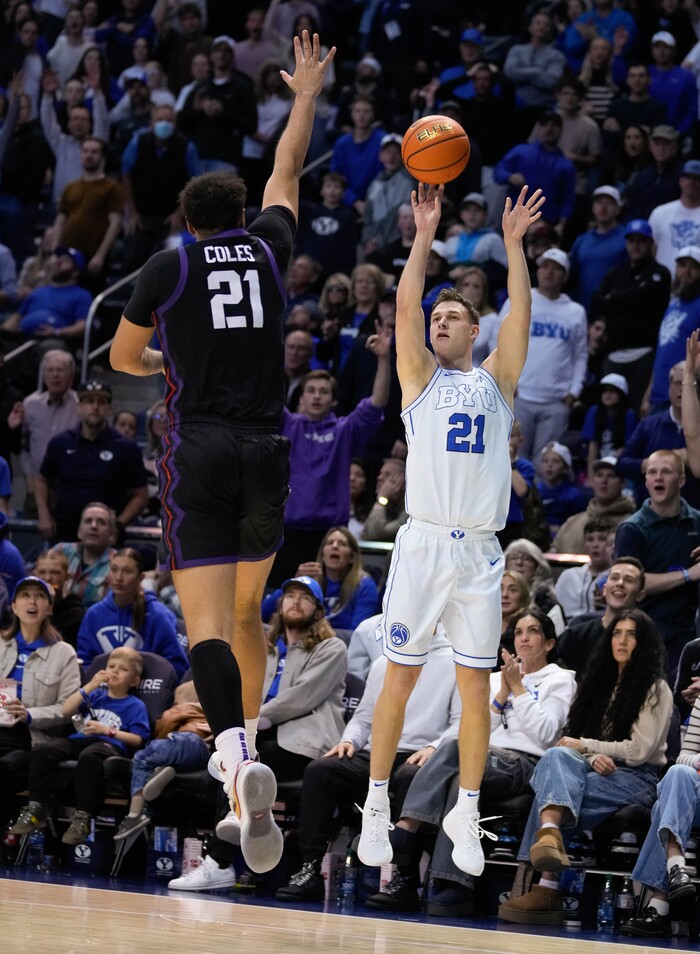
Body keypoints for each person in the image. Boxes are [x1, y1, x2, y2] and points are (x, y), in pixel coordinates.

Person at [109, 31, 336, 876]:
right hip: (268, 450)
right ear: (242, 219)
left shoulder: (168, 267)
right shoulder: (273, 248)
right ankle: (244, 762)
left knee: (204, 622)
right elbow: (285, 169)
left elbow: (122, 362)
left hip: (198, 446)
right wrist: (304, 95)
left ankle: (238, 759)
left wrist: (170, 357)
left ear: (188, 222)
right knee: (248, 614)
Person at [354, 180, 545, 876]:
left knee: (473, 690)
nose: (439, 319)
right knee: (397, 680)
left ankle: (466, 808)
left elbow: (520, 309)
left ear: (475, 331)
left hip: (481, 553)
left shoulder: (498, 381)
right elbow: (405, 304)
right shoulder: (418, 381)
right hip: (425, 542)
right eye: (438, 314)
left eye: (454, 314)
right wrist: (423, 234)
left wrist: (516, 245)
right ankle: (376, 801)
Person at [366, 608, 576, 915]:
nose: (524, 638)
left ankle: (405, 828)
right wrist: (502, 694)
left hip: (524, 763)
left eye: (532, 631)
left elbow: (545, 734)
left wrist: (518, 689)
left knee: (455, 749)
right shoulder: (493, 680)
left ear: (548, 643)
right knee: (460, 779)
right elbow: (479, 729)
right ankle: (453, 886)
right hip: (484, 757)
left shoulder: (560, 680)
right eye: (518, 632)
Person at [498, 609, 672, 925]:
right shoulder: (597, 683)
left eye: (631, 634)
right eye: (617, 633)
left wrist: (589, 748)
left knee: (554, 790)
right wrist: (591, 757)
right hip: (594, 768)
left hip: (639, 777)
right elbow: (572, 740)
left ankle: (541, 884)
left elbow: (639, 751)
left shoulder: (655, 688)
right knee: (555, 759)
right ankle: (549, 836)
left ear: (644, 642)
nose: (622, 640)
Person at [275, 624, 461, 902]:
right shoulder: (384, 661)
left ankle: (406, 880)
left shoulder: (455, 662)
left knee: (410, 777)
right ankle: (310, 869)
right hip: (377, 751)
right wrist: (349, 740)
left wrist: (434, 747)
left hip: (419, 754)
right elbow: (363, 717)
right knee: (321, 771)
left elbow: (462, 722)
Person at [10, 645, 150, 846]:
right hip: (80, 739)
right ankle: (36, 807)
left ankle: (83, 816)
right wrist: (89, 686)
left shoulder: (135, 705)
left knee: (89, 757)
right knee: (43, 751)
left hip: (108, 744)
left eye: (123, 669)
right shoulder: (95, 696)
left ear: (135, 681)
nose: (115, 671)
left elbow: (138, 739)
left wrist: (107, 731)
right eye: (111, 666)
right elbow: (66, 709)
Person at [0, 576, 80, 825]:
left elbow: (67, 708)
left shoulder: (63, 653)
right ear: (13, 606)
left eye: (39, 596)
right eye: (25, 595)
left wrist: (30, 714)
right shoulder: (1, 644)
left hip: (31, 737)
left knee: (3, 768)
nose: (32, 601)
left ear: (49, 607)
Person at [615, 448, 700, 677]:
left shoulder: (697, 522)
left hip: (689, 627)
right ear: (646, 480)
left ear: (681, 480)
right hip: (645, 627)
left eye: (666, 472)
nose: (658, 477)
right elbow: (630, 584)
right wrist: (688, 575)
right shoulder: (632, 529)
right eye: (652, 472)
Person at [500, 248, 588, 461]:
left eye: (556, 269)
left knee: (546, 464)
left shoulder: (575, 311)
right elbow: (501, 340)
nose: (549, 272)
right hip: (520, 395)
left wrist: (574, 392)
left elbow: (580, 355)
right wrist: (506, 381)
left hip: (556, 401)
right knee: (512, 459)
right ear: (538, 271)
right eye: (545, 266)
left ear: (565, 276)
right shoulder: (519, 298)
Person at [36, 379, 149, 543]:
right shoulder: (60, 443)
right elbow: (41, 480)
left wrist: (118, 524)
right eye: (89, 401)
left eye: (101, 402)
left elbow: (141, 496)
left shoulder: (126, 447)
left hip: (105, 540)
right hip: (63, 535)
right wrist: (43, 513)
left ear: (109, 409)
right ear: (79, 407)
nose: (95, 407)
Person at [114, 678, 212, 840]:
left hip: (186, 740)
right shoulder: (210, 712)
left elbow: (166, 722)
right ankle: (164, 771)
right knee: (166, 757)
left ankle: (135, 813)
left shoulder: (185, 708)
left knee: (142, 757)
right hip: (203, 755)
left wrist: (157, 739)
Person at [590, 219, 671, 412]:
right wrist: (633, 296)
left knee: (636, 410)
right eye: (632, 240)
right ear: (626, 243)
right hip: (613, 354)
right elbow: (597, 301)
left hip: (644, 354)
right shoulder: (616, 273)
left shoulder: (660, 273)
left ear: (651, 244)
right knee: (607, 412)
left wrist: (615, 297)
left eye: (641, 241)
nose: (636, 245)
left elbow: (645, 297)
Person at [77, 547, 189, 678]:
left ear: (140, 577)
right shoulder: (94, 614)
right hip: (101, 692)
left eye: (127, 571)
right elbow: (84, 663)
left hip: (146, 690)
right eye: (114, 569)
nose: (119, 577)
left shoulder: (158, 615)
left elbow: (176, 666)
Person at [263, 529, 378, 631]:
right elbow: (263, 613)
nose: (335, 546)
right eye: (329, 543)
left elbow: (358, 634)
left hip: (343, 649)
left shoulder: (364, 585)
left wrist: (307, 634)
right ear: (322, 554)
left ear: (352, 557)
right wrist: (296, 584)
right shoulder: (310, 580)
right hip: (303, 643)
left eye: (342, 544)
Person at [557, 555, 646, 675]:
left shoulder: (646, 639)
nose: (620, 583)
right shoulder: (575, 635)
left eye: (629, 580)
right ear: (604, 589)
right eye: (614, 578)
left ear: (640, 595)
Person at [19, 349, 79, 518]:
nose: (55, 375)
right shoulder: (30, 404)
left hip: (70, 487)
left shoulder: (80, 405)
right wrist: (30, 482)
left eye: (60, 370)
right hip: (35, 487)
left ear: (71, 375)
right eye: (50, 370)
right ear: (43, 375)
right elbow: (25, 449)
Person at [552, 456, 634, 554]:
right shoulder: (571, 524)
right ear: (593, 480)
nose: (604, 481)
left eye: (611, 476)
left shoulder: (632, 525)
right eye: (599, 475)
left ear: (622, 483)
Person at [54, 501, 118, 607]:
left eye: (101, 522)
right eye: (88, 521)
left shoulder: (117, 562)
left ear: (111, 535)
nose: (93, 526)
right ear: (79, 531)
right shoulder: (60, 551)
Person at [580, 374, 637, 479]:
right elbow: (592, 446)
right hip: (596, 464)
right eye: (605, 391)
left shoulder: (629, 414)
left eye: (613, 390)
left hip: (619, 465)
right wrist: (591, 477)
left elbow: (628, 447)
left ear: (621, 394)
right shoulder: (594, 412)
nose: (608, 394)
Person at [648, 160, 700, 275]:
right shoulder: (660, 212)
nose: (692, 182)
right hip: (661, 284)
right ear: (680, 180)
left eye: (697, 179)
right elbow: (651, 251)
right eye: (688, 177)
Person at [554, 518, 612, 619]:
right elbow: (554, 610)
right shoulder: (568, 576)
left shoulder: (614, 578)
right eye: (590, 539)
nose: (595, 545)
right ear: (584, 544)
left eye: (602, 539)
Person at [32, 549, 85, 648]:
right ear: (35, 574)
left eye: (55, 572)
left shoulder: (75, 613)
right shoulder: (24, 605)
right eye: (42, 572)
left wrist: (47, 608)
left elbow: (57, 647)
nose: (47, 578)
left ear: (67, 576)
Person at [361, 457, 408, 543]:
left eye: (387, 474)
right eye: (380, 473)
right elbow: (364, 536)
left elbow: (375, 534)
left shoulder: (409, 513)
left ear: (402, 482)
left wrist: (381, 500)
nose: (379, 478)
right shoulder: (382, 506)